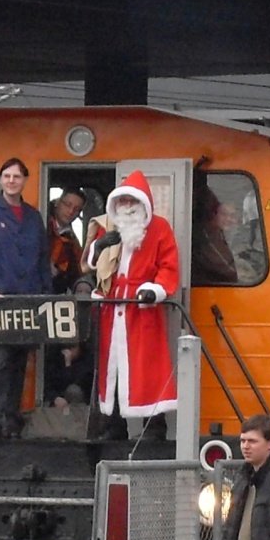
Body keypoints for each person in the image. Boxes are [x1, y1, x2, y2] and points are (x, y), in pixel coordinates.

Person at [90, 170, 180, 441]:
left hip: (141, 311)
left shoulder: (160, 228)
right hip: (112, 307)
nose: (127, 206)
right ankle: (113, 425)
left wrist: (155, 290)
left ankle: (154, 426)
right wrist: (99, 246)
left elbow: (168, 265)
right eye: (123, 201)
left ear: (143, 204)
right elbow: (94, 262)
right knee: (111, 367)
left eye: (132, 201)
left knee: (147, 367)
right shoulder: (109, 227)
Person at [0, 157, 52, 439]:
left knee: (20, 360)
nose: (11, 181)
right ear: (0, 179)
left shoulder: (33, 216)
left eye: (16, 176)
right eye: (6, 176)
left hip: (28, 298)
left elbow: (43, 258)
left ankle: (12, 417)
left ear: (25, 180)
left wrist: (45, 295)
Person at [191, 183, 238, 285]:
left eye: (232, 215)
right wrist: (241, 275)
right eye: (224, 214)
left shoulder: (234, 235)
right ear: (214, 216)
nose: (229, 219)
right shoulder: (209, 236)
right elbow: (224, 266)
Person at [48, 187, 86, 294]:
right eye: (67, 205)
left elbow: (77, 269)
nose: (71, 211)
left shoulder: (72, 240)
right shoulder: (42, 223)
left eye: (77, 209)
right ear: (57, 202)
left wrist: (82, 284)